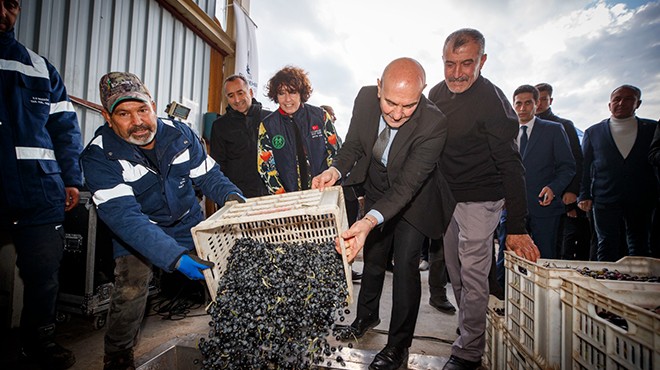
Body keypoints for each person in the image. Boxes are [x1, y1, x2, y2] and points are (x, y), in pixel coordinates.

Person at [80, 72, 244, 370]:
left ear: (153, 105)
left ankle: (238, 337)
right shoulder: (99, 157)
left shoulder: (180, 134)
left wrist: (233, 197)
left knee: (226, 274)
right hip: (138, 231)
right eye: (124, 114)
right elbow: (125, 219)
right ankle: (117, 354)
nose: (138, 121)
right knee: (131, 288)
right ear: (107, 117)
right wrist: (174, 257)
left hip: (185, 222)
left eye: (142, 110)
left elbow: (209, 176)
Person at [313, 57, 453, 370]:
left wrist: (367, 220)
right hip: (377, 187)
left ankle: (397, 347)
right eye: (391, 103)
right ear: (379, 87)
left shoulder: (434, 122)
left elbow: (405, 188)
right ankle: (366, 316)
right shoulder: (364, 98)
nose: (398, 113)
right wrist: (335, 170)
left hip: (414, 199)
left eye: (409, 105)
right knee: (374, 257)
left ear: (422, 93)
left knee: (404, 266)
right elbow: (353, 145)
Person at [428, 29, 540, 370]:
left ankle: (468, 352)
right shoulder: (435, 93)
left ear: (482, 61)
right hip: (448, 199)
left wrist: (517, 226)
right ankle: (470, 328)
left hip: (482, 200)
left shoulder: (492, 100)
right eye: (450, 63)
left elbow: (511, 163)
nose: (457, 73)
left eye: (467, 63)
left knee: (475, 275)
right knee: (456, 274)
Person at [1, 0, 81, 368]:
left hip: (39, 192)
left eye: (12, 4)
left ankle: (40, 344)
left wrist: (72, 180)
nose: (4, 12)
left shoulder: (39, 68)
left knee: (44, 274)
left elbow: (64, 129)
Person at [496, 85, 575, 285]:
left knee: (544, 257)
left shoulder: (554, 130)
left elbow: (568, 167)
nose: (522, 108)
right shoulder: (504, 132)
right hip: (511, 207)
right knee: (505, 258)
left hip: (544, 206)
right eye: (518, 103)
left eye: (528, 103)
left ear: (537, 103)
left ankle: (543, 302)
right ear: (513, 105)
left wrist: (554, 188)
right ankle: (504, 300)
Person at [578, 85, 657, 261]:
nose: (621, 103)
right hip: (605, 197)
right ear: (609, 104)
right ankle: (606, 284)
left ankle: (638, 285)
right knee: (606, 243)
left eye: (628, 99)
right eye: (617, 99)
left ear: (638, 103)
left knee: (640, 243)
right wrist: (584, 194)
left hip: (642, 197)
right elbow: (584, 166)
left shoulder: (651, 129)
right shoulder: (594, 132)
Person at [257, 66, 341, 194]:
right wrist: (283, 197)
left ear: (301, 93)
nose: (287, 99)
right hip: (288, 201)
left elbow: (335, 154)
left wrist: (328, 185)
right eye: (281, 93)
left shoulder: (320, 116)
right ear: (275, 96)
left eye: (292, 92)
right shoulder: (268, 125)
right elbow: (266, 168)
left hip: (323, 192)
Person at [535, 83, 590, 260]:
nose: (539, 104)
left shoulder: (563, 125)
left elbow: (575, 160)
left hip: (557, 194)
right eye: (536, 99)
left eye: (544, 99)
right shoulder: (520, 126)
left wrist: (572, 190)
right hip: (529, 195)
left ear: (551, 100)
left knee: (553, 245)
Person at [209, 74, 271, 198]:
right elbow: (218, 166)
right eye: (231, 96)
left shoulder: (270, 119)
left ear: (251, 92)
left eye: (240, 93)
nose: (237, 100)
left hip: (271, 194)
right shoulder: (219, 126)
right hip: (240, 197)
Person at [320, 104, 363, 282]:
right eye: (331, 115)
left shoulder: (336, 136)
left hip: (346, 189)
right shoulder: (320, 133)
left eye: (334, 115)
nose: (334, 118)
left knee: (346, 230)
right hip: (328, 190)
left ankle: (346, 267)